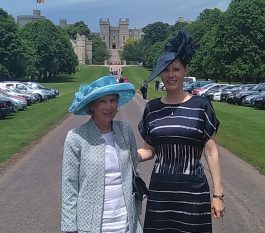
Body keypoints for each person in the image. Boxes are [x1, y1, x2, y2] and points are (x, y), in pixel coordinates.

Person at [137, 29, 224, 233]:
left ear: (185, 71)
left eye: (176, 69)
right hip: (160, 191)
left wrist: (218, 194)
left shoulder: (201, 106)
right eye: (166, 70)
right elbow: (149, 150)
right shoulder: (152, 108)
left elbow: (211, 152)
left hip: (193, 192)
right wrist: (123, 154)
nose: (170, 75)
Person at [61, 75, 143, 233]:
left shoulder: (125, 130)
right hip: (92, 224)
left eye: (112, 100)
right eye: (102, 101)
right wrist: (70, 227)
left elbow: (135, 172)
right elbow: (69, 185)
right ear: (92, 106)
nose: (109, 106)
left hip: (125, 221)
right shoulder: (76, 137)